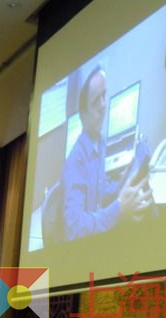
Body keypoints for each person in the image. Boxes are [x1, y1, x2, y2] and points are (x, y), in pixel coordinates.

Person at [58, 66, 153, 242]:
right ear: (83, 115)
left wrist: (121, 183)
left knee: (149, 214)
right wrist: (119, 209)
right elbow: (74, 229)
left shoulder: (100, 143)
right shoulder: (75, 163)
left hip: (101, 234)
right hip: (89, 248)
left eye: (104, 96)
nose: (103, 105)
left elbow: (99, 193)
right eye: (96, 101)